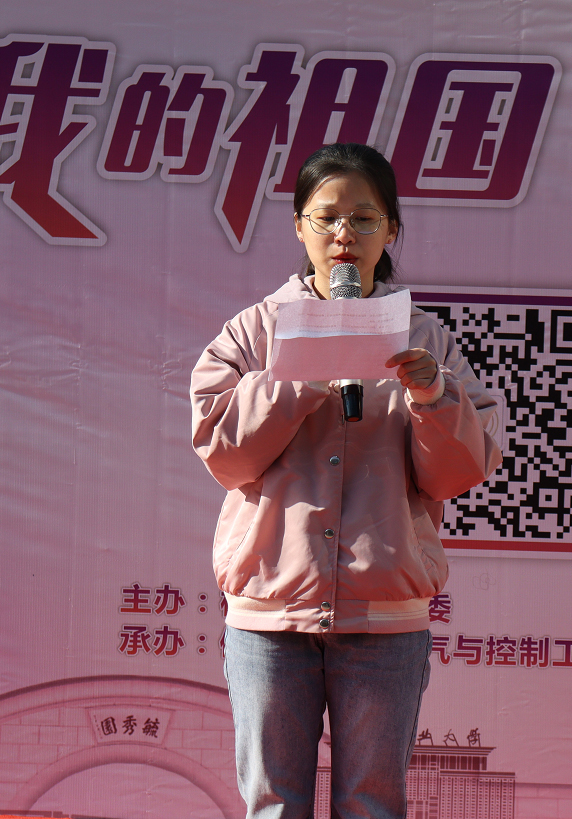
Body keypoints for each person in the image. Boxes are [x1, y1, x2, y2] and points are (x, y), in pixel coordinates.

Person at [190, 142, 501, 819]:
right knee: (274, 806)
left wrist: (432, 396)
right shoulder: (252, 332)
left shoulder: (426, 341)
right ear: (299, 227)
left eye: (364, 218)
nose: (343, 234)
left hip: (384, 615)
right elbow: (224, 454)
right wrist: (298, 375)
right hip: (270, 612)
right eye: (326, 217)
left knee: (371, 805)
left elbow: (458, 472)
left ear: (390, 231)